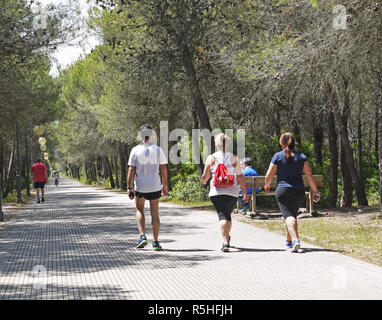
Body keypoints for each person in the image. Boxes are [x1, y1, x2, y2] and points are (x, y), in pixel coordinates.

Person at [264, 133, 320, 253]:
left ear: (281, 143)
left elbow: (269, 175)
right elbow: (309, 175)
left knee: (288, 216)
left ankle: (295, 240)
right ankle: (288, 241)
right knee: (291, 215)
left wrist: (267, 185)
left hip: (283, 191)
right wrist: (315, 190)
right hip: (298, 191)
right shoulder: (302, 157)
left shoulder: (277, 156)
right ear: (294, 142)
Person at [201, 133, 249, 252]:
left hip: (216, 191)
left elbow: (205, 177)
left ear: (216, 144)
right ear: (227, 144)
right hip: (232, 191)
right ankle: (227, 238)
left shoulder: (211, 158)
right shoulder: (234, 158)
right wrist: (245, 193)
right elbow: (240, 176)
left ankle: (225, 242)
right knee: (227, 215)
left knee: (222, 216)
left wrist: (203, 180)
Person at [127, 124, 168, 251]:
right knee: (154, 212)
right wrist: (164, 184)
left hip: (140, 185)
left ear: (140, 135)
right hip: (155, 184)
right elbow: (163, 169)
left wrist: (129, 187)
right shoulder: (158, 149)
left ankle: (142, 236)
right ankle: (155, 242)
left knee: (139, 210)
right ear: (151, 135)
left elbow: (131, 169)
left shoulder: (135, 150)